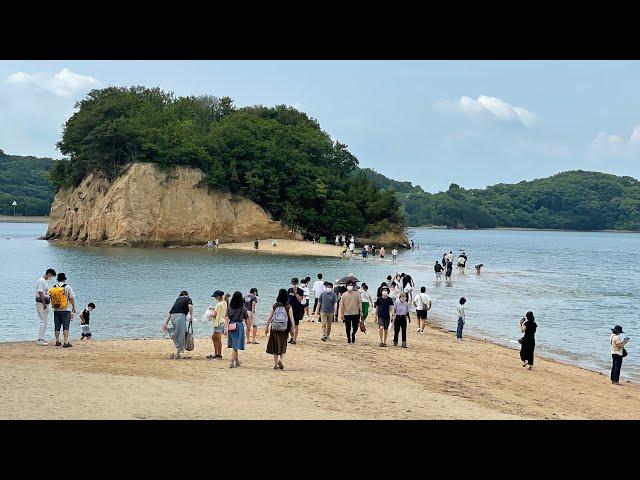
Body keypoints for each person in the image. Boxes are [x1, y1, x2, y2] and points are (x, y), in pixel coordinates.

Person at [264, 289, 293, 370]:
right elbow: (291, 319)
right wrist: (293, 329)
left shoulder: (275, 306)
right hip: (284, 328)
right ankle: (281, 360)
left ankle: (276, 364)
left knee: (275, 346)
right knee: (283, 345)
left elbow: (270, 317)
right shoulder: (288, 307)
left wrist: (266, 327)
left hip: (275, 328)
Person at [162, 290, 193, 359]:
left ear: (180, 295)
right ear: (187, 295)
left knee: (181, 332)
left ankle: (178, 351)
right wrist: (191, 316)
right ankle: (178, 354)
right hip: (180, 316)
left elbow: (170, 312)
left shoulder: (177, 300)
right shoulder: (188, 299)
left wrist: (166, 323)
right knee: (181, 334)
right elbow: (190, 306)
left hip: (173, 317)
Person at [50, 272, 76, 348]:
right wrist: (73, 307)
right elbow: (71, 298)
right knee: (66, 326)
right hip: (65, 309)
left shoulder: (54, 287)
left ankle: (57, 341)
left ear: (58, 279)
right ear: (64, 279)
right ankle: (65, 342)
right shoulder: (67, 287)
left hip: (56, 309)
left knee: (57, 326)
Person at [225, 291, 248, 368]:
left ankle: (237, 361)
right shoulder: (243, 308)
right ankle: (231, 362)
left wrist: (225, 328)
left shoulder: (230, 307)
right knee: (235, 346)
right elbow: (247, 319)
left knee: (235, 344)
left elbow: (226, 318)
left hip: (231, 325)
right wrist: (248, 328)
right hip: (239, 326)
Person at [35, 268, 56, 346]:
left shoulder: (44, 281)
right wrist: (44, 303)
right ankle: (40, 339)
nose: (51, 277)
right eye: (51, 276)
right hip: (41, 304)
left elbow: (45, 292)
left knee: (45, 321)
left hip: (45, 304)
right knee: (43, 321)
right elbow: (40, 292)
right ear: (49, 273)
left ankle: (42, 338)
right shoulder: (41, 280)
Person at [338, 280, 362, 344]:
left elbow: (360, 303)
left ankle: (353, 334)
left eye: (351, 285)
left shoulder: (357, 294)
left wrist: (361, 311)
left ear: (353, 286)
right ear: (346, 286)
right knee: (347, 327)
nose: (349, 286)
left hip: (356, 313)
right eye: (348, 285)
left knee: (355, 327)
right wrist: (341, 314)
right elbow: (341, 305)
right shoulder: (344, 294)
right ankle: (349, 338)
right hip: (347, 314)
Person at [205, 290, 226, 359]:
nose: (215, 298)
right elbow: (220, 311)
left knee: (217, 338)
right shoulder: (224, 303)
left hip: (218, 323)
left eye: (215, 296)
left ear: (219, 296)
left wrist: (209, 314)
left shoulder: (219, 304)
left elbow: (214, 315)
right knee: (215, 337)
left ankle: (218, 355)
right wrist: (214, 309)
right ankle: (217, 354)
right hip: (222, 322)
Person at [287, 278, 304, 344]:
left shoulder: (300, 291)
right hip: (289, 310)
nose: (294, 285)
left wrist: (296, 292)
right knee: (289, 325)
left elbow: (300, 300)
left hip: (297, 310)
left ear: (297, 283)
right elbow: (287, 299)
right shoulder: (289, 290)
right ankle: (292, 336)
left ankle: (294, 340)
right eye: (293, 283)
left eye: (295, 283)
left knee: (296, 325)